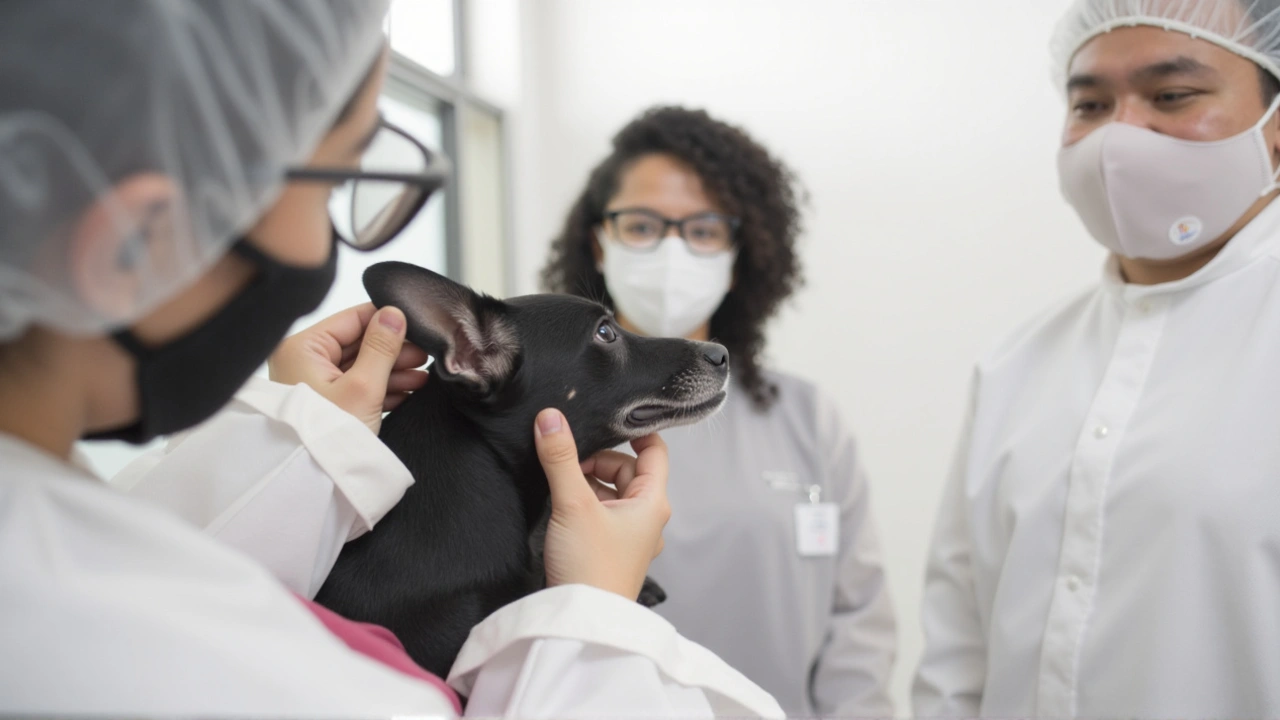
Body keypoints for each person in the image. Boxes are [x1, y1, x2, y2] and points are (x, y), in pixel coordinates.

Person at [0, 3, 783, 717]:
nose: (327, 249)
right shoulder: (283, 683)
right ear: (130, 243)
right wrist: (594, 618)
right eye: (338, 181)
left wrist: (307, 444)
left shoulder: (80, 582)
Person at [913, 0, 1280, 716]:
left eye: (1172, 95)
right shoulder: (1016, 366)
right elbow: (958, 649)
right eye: (1090, 103)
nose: (1120, 136)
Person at [541, 106, 897, 717]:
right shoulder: (549, 422)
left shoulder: (807, 419)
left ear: (740, 252)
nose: (673, 250)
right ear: (600, 242)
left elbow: (857, 629)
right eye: (644, 226)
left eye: (704, 231)